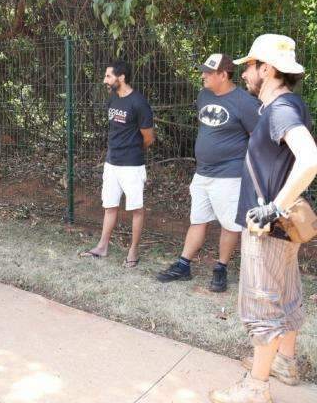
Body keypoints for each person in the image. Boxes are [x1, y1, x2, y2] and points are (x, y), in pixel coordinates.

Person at [210, 34, 317, 403]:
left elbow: (309, 159)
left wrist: (273, 208)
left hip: (268, 229)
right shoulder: (288, 105)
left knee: (262, 305)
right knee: (286, 296)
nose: (246, 74)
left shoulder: (281, 110)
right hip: (283, 230)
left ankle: (257, 387)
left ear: (267, 69)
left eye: (250, 67)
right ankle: (284, 363)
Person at [156, 54, 260, 292]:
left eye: (208, 72)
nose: (202, 75)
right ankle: (183, 265)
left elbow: (257, 139)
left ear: (223, 75)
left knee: (230, 225)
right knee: (198, 220)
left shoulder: (245, 102)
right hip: (202, 173)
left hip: (230, 175)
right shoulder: (203, 95)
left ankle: (221, 268)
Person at [80, 60, 155, 267]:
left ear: (121, 77)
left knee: (136, 209)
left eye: (108, 76)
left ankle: (133, 251)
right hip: (111, 163)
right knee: (110, 206)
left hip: (132, 165)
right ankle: (102, 247)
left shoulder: (139, 102)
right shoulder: (113, 100)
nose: (105, 80)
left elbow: (148, 137)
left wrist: (132, 151)